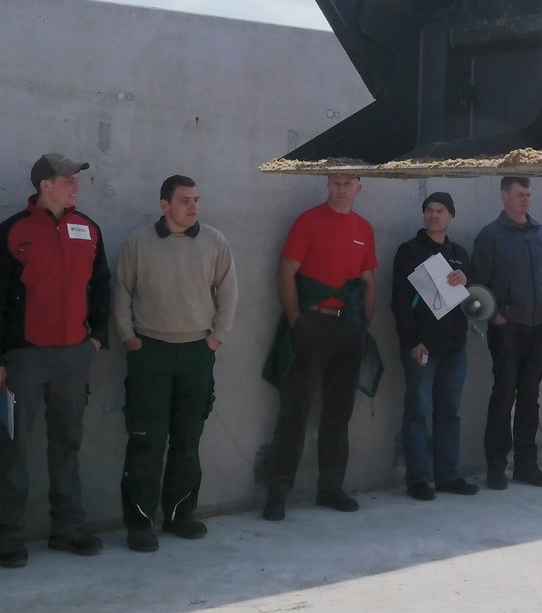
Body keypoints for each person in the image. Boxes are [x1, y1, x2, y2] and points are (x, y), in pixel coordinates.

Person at [114, 175, 238, 552]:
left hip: (197, 353)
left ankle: (180, 515)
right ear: (164, 205)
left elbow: (229, 291)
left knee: (188, 438)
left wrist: (217, 337)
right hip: (149, 351)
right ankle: (139, 523)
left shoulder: (214, 241)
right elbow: (121, 289)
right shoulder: (139, 242)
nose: (193, 207)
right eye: (184, 200)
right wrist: (128, 337)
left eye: (197, 199)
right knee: (146, 440)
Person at [0, 153, 111, 567]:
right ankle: (8, 536)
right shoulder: (13, 232)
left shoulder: (88, 229)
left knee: (67, 443)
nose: (75, 185)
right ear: (45, 184)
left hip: (73, 358)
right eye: (67, 179)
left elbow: (101, 285)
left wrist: (97, 338)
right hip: (24, 359)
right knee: (12, 445)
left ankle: (68, 528)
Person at [262, 175, 377, 521]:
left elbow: (369, 281)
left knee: (339, 412)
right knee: (295, 409)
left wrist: (362, 325)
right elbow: (286, 272)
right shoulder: (308, 221)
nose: (341, 188)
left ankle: (330, 488)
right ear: (328, 185)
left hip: (349, 330)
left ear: (359, 187)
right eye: (335, 182)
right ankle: (278, 491)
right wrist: (298, 322)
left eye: (348, 183)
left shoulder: (364, 228)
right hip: (312, 325)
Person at [473, 176, 542, 491]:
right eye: (520, 194)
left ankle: (526, 464)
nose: (526, 200)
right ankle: (496, 467)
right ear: (504, 197)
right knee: (503, 395)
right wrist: (496, 317)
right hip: (507, 328)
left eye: (529, 195)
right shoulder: (491, 236)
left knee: (530, 397)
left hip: (539, 327)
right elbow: (478, 282)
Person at [390, 192, 479, 501]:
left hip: (454, 347)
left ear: (450, 216)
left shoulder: (460, 254)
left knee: (449, 411)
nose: (433, 215)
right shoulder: (409, 251)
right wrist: (411, 342)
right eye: (428, 209)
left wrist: (468, 278)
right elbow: (400, 302)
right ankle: (417, 480)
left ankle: (448, 476)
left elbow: (476, 296)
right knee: (417, 411)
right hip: (422, 347)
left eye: (440, 210)